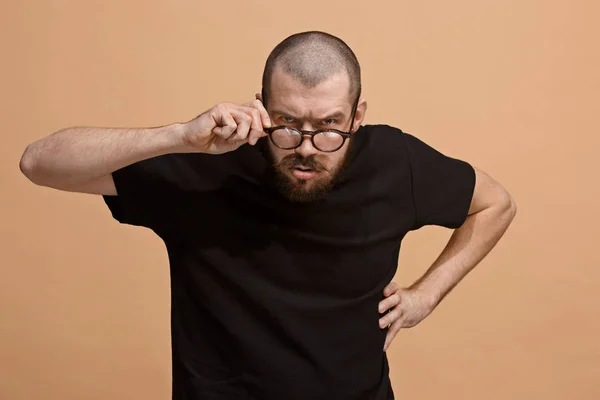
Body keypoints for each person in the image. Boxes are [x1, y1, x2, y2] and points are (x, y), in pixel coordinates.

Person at [19, 31, 517, 400]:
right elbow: (38, 163)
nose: (306, 147)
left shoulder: (396, 162)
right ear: (261, 108)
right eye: (286, 123)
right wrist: (177, 136)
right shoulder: (206, 164)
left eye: (329, 126)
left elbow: (496, 203)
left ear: (357, 116)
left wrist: (426, 295)